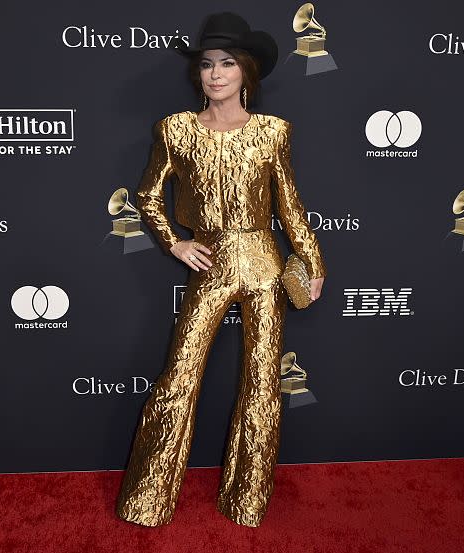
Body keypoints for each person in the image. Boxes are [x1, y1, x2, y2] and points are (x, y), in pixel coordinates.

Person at [115, 12, 327, 528]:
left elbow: (290, 207)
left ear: (246, 71)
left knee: (260, 386)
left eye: (227, 63)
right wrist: (176, 244)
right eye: (207, 64)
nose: (215, 74)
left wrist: (314, 263)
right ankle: (147, 500)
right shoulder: (176, 129)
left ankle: (246, 499)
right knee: (178, 379)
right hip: (208, 265)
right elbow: (146, 195)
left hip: (264, 266)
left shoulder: (274, 133)